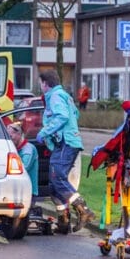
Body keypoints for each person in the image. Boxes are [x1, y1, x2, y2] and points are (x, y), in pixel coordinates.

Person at [37, 69, 95, 233]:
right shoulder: (64, 95)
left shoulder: (55, 96)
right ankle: (63, 222)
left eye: (41, 83)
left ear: (45, 84)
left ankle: (83, 209)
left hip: (65, 143)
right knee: (55, 185)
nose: (40, 86)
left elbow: (62, 116)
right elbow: (75, 114)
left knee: (57, 177)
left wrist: (45, 132)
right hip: (68, 141)